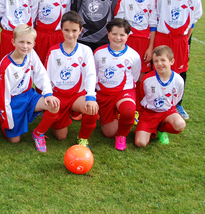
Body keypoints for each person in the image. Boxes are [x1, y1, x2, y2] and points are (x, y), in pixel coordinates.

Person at [0, 24, 59, 153]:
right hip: (14, 101)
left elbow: (41, 74)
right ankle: (2, 118)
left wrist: (48, 93)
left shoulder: (31, 54)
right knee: (15, 140)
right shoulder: (5, 65)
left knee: (54, 105)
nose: (25, 46)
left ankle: (38, 133)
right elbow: (3, 96)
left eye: (29, 43)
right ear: (13, 41)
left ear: (33, 44)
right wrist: (7, 119)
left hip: (29, 95)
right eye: (21, 42)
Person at [154, 0, 203, 120]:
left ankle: (177, 103)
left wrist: (184, 38)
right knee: (158, 68)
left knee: (180, 71)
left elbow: (193, 22)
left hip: (180, 39)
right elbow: (158, 15)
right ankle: (156, 101)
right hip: (163, 37)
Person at [45, 12, 98, 148]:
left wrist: (91, 96)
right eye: (66, 30)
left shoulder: (85, 51)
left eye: (74, 30)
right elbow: (46, 77)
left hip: (76, 95)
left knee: (92, 108)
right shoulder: (53, 51)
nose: (70, 34)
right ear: (61, 29)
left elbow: (91, 74)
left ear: (80, 31)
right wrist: (49, 96)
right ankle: (60, 116)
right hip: (59, 96)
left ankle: (83, 138)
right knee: (61, 137)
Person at [94, 18, 141, 151]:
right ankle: (109, 115)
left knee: (128, 110)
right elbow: (95, 74)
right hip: (104, 94)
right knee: (108, 133)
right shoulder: (98, 53)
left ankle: (122, 136)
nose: (118, 38)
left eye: (122, 34)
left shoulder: (133, 55)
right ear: (108, 34)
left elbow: (135, 76)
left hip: (124, 91)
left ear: (128, 35)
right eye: (114, 34)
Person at [115, 0, 157, 109]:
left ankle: (138, 107)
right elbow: (119, 25)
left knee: (141, 76)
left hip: (144, 44)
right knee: (124, 73)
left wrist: (150, 48)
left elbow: (153, 26)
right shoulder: (124, 0)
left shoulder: (151, 1)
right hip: (128, 43)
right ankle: (122, 104)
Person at [134, 45, 186, 147]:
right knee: (140, 143)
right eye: (156, 61)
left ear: (171, 61)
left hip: (167, 112)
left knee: (180, 124)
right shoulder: (147, 79)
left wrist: (167, 107)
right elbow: (141, 97)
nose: (159, 64)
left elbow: (176, 98)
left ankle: (161, 129)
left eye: (163, 60)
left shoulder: (178, 80)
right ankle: (149, 127)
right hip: (149, 114)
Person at [34, 0, 72, 65]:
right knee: (40, 65)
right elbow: (33, 16)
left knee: (58, 64)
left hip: (58, 35)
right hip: (41, 35)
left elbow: (68, 15)